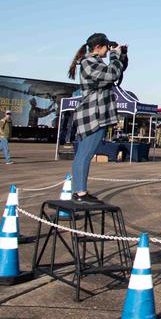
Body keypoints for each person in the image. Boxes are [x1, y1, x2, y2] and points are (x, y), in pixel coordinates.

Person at [67, 33, 125, 204]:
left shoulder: (93, 62)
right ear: (98, 47)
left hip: (93, 114)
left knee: (83, 154)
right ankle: (80, 193)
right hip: (93, 115)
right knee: (85, 154)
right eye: (107, 47)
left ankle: (80, 191)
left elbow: (115, 74)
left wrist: (122, 57)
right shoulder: (89, 62)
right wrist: (116, 56)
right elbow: (112, 74)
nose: (108, 50)